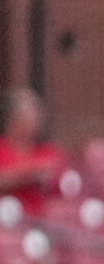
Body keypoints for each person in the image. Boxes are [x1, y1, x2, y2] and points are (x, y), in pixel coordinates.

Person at [0, 88, 65, 217]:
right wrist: (30, 176)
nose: (38, 119)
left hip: (42, 223)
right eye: (32, 114)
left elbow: (63, 181)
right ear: (13, 119)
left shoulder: (48, 152)